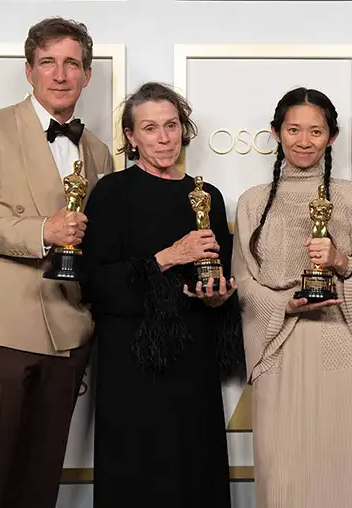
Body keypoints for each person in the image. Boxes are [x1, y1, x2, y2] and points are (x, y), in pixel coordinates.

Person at [0, 17, 113, 508]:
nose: (60, 75)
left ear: (85, 75)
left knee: (39, 489)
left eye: (71, 64)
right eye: (48, 63)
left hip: (67, 336)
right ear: (29, 71)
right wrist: (41, 230)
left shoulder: (97, 151)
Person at [81, 82, 243, 507]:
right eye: (151, 128)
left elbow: (217, 274)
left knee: (195, 466)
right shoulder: (111, 193)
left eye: (172, 125)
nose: (165, 137)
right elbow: (97, 283)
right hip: (131, 361)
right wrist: (170, 255)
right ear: (131, 137)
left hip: (194, 356)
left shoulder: (207, 196)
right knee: (136, 472)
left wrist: (218, 296)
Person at [232, 87, 352, 508]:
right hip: (277, 349)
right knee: (282, 477)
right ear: (276, 133)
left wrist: (341, 261)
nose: (303, 141)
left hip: (343, 348)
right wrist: (284, 304)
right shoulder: (251, 202)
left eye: (315, 131)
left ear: (332, 137)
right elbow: (242, 284)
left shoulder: (351, 196)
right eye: (293, 129)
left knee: (345, 476)